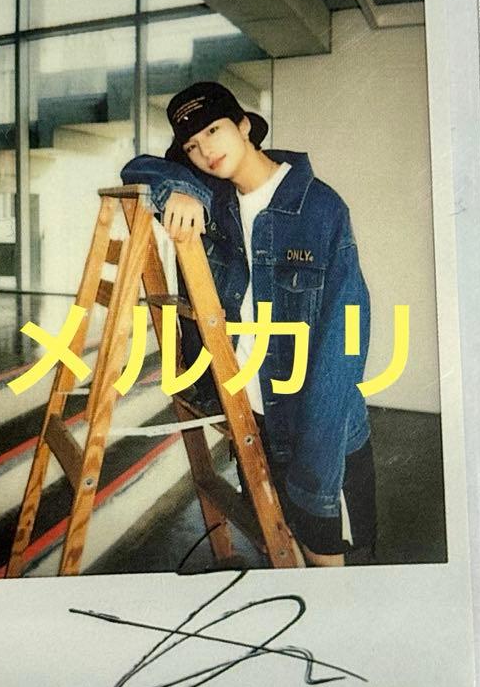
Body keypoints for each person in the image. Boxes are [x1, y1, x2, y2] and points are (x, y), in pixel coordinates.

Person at [121, 81, 376, 567]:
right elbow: (137, 167)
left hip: (318, 435)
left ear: (244, 126)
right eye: (191, 146)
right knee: (279, 553)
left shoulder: (320, 208)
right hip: (252, 420)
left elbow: (342, 348)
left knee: (331, 571)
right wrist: (181, 188)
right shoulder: (216, 203)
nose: (205, 151)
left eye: (213, 131)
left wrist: (315, 478)